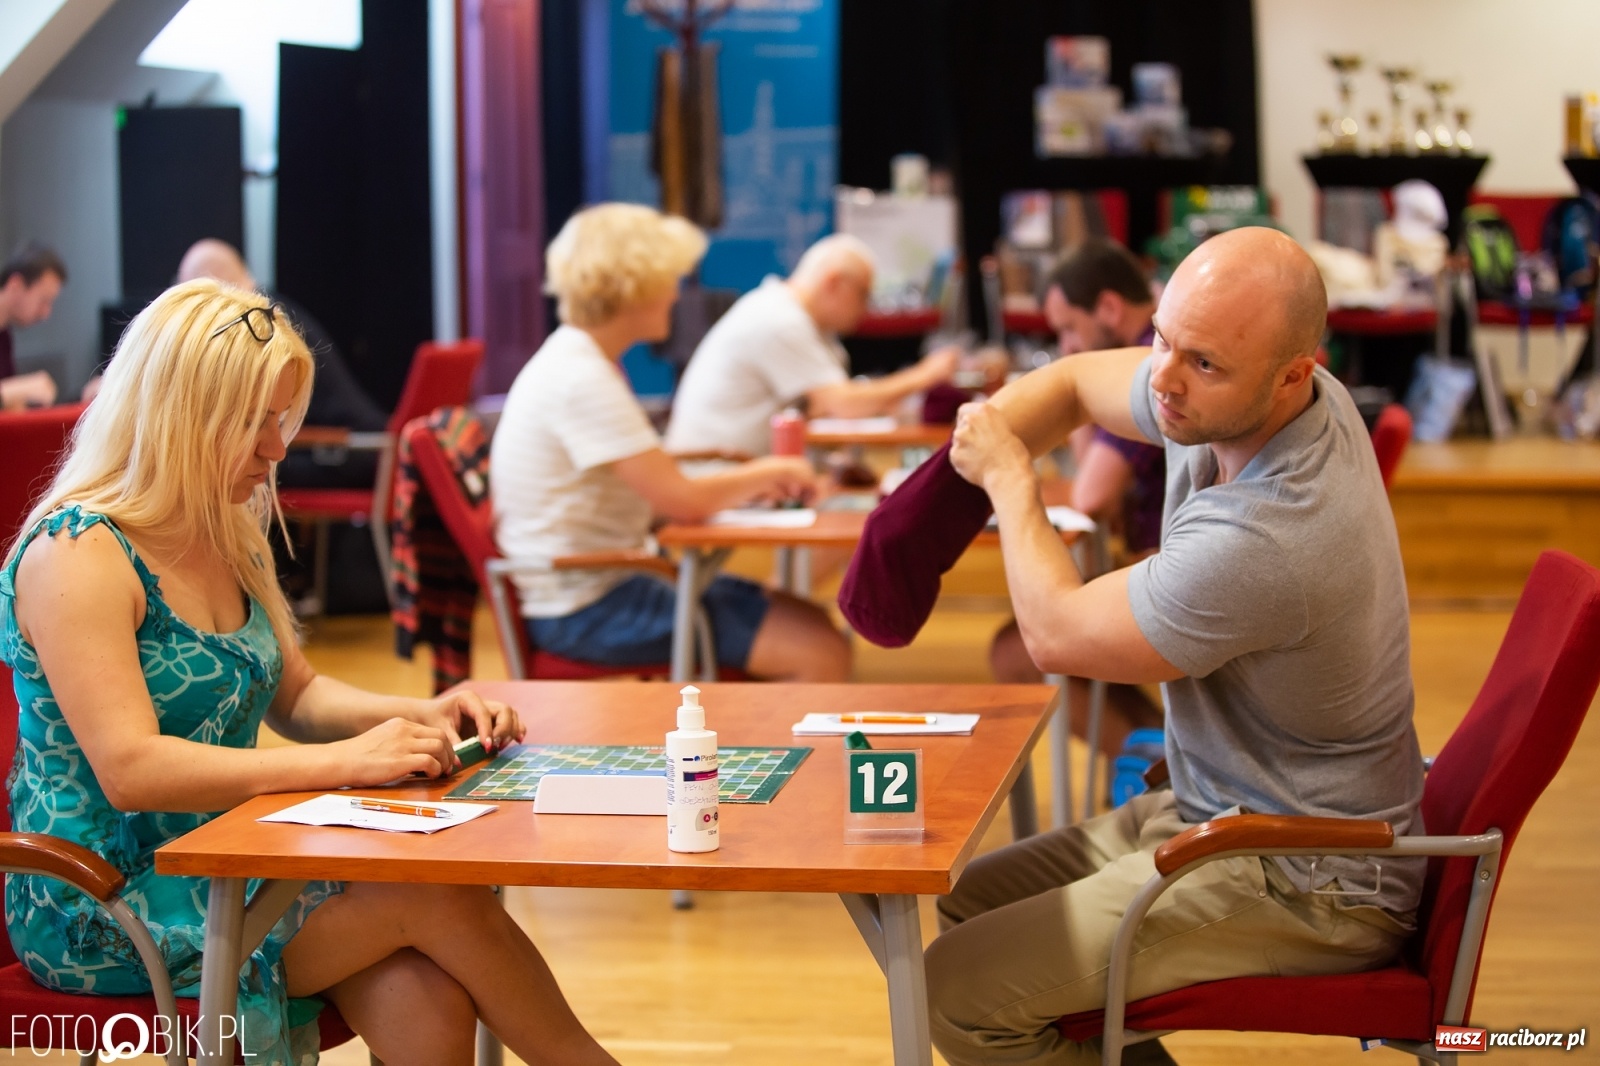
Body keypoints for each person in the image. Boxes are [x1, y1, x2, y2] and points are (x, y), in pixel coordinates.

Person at [0, 280, 619, 1066]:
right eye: (254, 424)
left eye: (279, 420)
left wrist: (430, 713)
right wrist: (344, 764)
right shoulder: (77, 552)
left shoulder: (227, 528)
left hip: (228, 857)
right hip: (102, 902)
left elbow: (298, 694)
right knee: (430, 893)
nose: (276, 448)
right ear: (179, 415)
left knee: (422, 996)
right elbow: (130, 770)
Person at [920, 227, 1423, 1065]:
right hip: (1221, 807)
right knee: (967, 903)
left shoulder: (1272, 537)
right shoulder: (1267, 393)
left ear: (1297, 371)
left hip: (1306, 877)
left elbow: (1053, 635)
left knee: (959, 994)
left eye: (1203, 364)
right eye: (1160, 336)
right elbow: (1081, 378)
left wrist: (1010, 477)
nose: (1164, 379)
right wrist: (970, 455)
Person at [492, 203, 851, 681]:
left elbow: (666, 495)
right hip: (588, 608)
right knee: (820, 650)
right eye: (668, 279)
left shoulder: (577, 362)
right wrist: (772, 472)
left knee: (813, 627)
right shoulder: (580, 379)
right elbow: (681, 501)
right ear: (632, 286)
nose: (674, 294)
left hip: (602, 588)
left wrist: (751, 482)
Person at [990, 239, 1166, 756]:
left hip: (1181, 576)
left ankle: (1153, 771)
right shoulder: (1156, 350)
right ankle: (1160, 761)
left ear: (1109, 308)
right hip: (1180, 564)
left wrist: (1069, 393)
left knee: (1018, 652)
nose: (1066, 347)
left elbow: (1091, 494)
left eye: (1069, 328)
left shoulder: (1143, 366)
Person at [663, 233, 961, 457]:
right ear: (833, 282)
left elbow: (831, 407)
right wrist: (926, 374)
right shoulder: (778, 319)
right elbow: (843, 405)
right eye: (863, 295)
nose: (865, 308)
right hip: (716, 479)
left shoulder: (803, 322)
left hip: (741, 476)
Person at [176, 238, 389, 489]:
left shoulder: (257, 328)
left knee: (211, 468)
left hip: (352, 449)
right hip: (363, 445)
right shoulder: (274, 311)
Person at [0, 241, 67, 410]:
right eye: (43, 301)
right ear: (16, 285)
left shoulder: (5, 336)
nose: (45, 314)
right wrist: (22, 388)